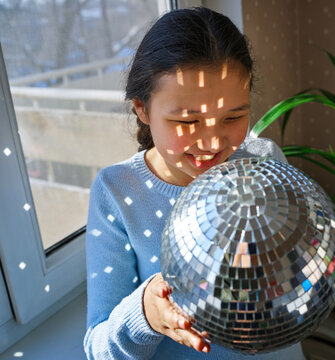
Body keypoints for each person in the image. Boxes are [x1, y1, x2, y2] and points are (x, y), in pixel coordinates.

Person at [83, 7, 306, 360]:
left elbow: (299, 277)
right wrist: (146, 314)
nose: (213, 142)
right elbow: (98, 348)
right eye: (188, 121)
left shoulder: (265, 163)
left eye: (233, 116)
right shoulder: (117, 192)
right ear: (142, 108)